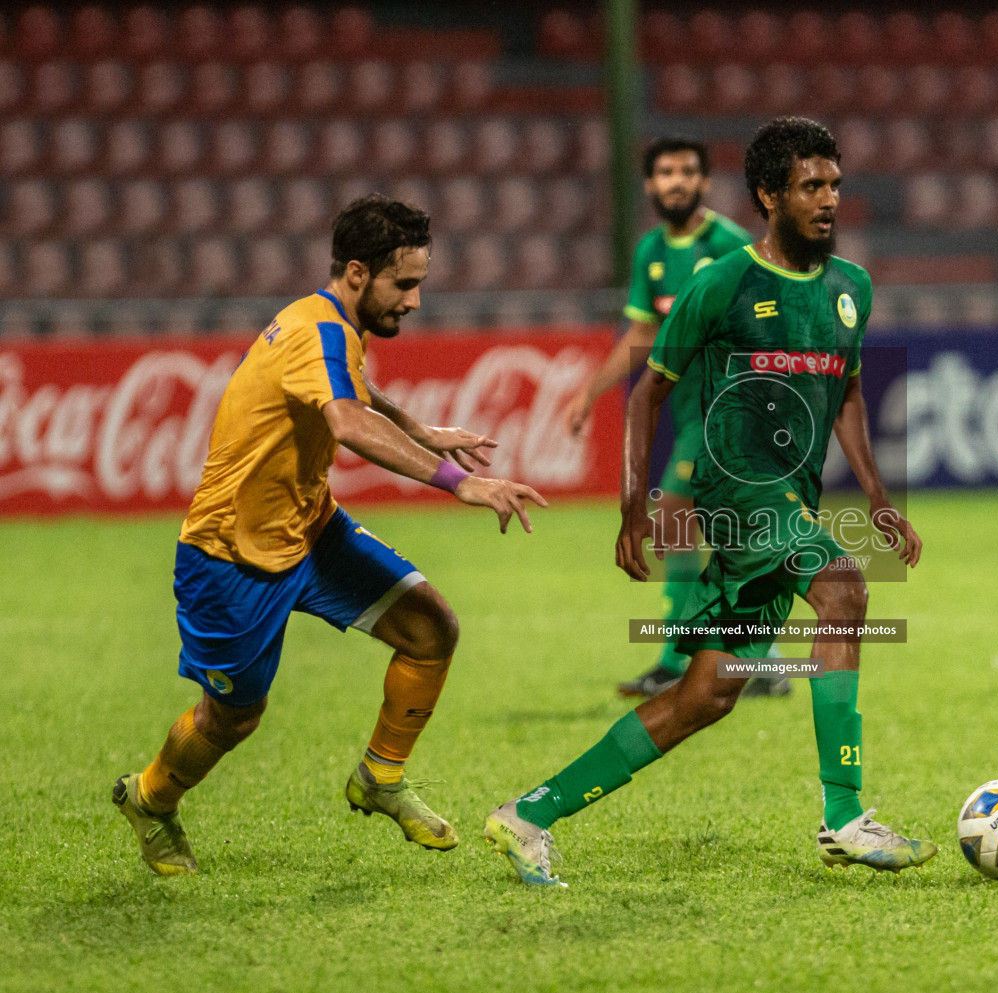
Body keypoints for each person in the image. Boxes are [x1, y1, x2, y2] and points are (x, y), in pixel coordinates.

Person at [484, 118, 935, 887]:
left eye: (833, 185)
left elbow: (848, 388)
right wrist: (634, 506)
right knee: (845, 588)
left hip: (791, 498)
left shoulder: (850, 289)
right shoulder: (722, 281)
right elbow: (647, 392)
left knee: (706, 695)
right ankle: (845, 814)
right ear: (768, 196)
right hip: (739, 497)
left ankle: (530, 813)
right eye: (809, 187)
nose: (828, 200)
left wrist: (877, 494)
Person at [113, 194, 547, 876]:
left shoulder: (336, 326)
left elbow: (354, 392)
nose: (415, 300)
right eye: (405, 284)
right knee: (232, 719)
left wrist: (418, 428)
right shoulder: (316, 331)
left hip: (310, 529)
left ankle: (380, 776)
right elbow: (345, 421)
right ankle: (150, 798)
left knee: (431, 629)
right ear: (355, 273)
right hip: (231, 556)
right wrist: (457, 482)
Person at [562, 138, 789, 699]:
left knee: (676, 520)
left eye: (688, 171)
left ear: (706, 182)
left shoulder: (735, 245)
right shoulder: (651, 252)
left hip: (731, 411)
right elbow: (641, 333)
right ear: (649, 185)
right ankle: (760, 660)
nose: (677, 181)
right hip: (690, 413)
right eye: (665, 172)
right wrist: (589, 393)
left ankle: (673, 661)